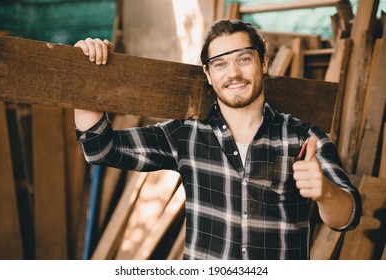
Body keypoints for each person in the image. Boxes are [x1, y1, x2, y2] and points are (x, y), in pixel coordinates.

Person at [74, 19, 361, 260]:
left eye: (244, 59)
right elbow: (101, 149)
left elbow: (348, 217)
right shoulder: (185, 136)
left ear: (263, 63)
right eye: (220, 64)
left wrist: (324, 192)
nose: (233, 73)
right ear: (208, 74)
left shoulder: (305, 138)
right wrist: (85, 73)